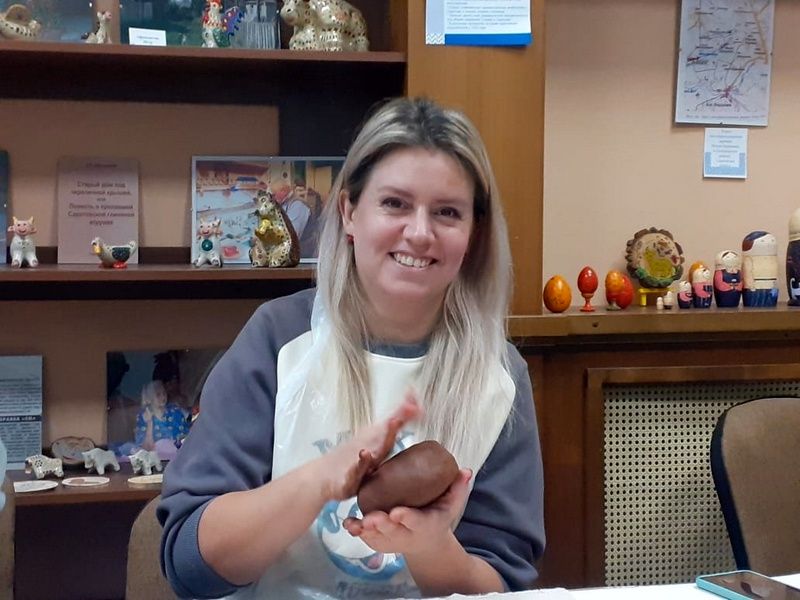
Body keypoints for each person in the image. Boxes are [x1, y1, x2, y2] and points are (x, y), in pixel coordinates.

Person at [158, 97, 545, 600]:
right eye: (395, 204)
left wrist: (429, 546)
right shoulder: (278, 339)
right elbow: (190, 563)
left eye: (448, 212)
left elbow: (504, 582)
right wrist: (318, 481)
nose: (420, 233)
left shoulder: (499, 376)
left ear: (474, 233)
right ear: (348, 212)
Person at [135, 380, 189, 451]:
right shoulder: (143, 417)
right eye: (158, 395)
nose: (163, 397)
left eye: (164, 393)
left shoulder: (175, 410)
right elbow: (146, 449)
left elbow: (188, 433)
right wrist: (149, 423)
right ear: (148, 399)